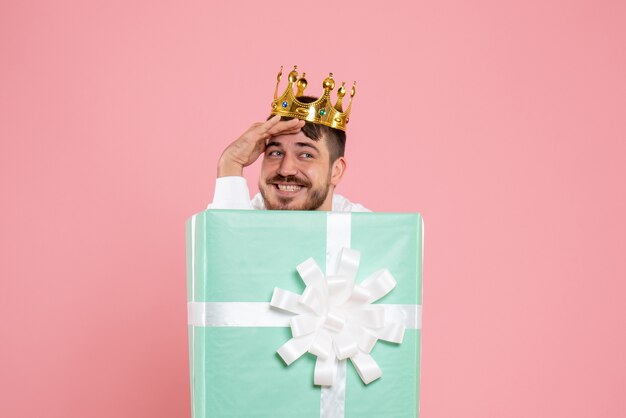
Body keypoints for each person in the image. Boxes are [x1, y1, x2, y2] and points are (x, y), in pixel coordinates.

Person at [208, 67, 369, 212]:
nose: (285, 170)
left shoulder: (367, 233)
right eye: (276, 153)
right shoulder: (240, 215)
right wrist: (231, 163)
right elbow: (226, 238)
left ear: (336, 171)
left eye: (306, 155)